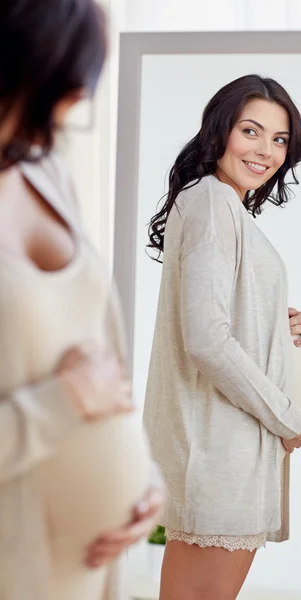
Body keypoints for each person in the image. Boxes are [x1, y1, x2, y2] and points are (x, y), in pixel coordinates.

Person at [0, 2, 163, 599]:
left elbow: (96, 347)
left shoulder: (46, 167)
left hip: (97, 566)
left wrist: (143, 481)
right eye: (70, 82)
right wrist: (59, 404)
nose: (77, 101)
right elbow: (75, 387)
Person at [143, 74, 301, 600]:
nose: (265, 150)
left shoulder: (222, 207)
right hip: (220, 454)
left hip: (231, 452)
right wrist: (291, 419)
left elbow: (221, 322)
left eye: (279, 139)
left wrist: (291, 331)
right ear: (220, 131)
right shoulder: (212, 203)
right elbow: (206, 340)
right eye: (251, 130)